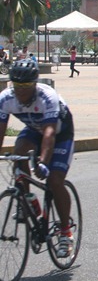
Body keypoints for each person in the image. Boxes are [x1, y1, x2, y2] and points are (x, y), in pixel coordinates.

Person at [0, 60, 75, 257]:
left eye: (25, 86)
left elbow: (49, 133)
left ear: (34, 84)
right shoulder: (6, 98)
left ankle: (65, 233)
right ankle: (28, 200)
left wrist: (42, 162)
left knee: (55, 180)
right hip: (34, 130)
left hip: (60, 133)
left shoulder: (46, 96)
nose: (20, 91)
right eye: (16, 86)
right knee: (19, 150)